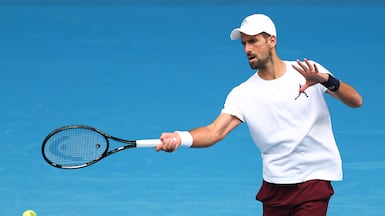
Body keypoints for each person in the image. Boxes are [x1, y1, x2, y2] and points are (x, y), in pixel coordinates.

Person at [155, 14, 363, 216]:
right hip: (274, 186)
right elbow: (214, 131)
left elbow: (356, 101)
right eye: (244, 43)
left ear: (272, 40)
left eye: (253, 41)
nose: (247, 49)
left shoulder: (308, 71)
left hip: (313, 182)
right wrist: (180, 137)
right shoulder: (242, 93)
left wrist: (327, 80)